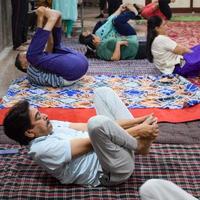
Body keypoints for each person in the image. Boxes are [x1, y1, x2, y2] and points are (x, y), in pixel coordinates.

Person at [3, 87, 159, 187]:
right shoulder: (41, 150)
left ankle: (137, 141)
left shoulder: (50, 126)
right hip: (113, 170)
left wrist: (141, 119)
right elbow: (91, 141)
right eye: (38, 117)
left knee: (102, 93)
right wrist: (138, 130)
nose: (44, 115)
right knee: (96, 123)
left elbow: (91, 128)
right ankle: (139, 145)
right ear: (30, 132)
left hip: (115, 147)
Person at [15, 7, 88, 87]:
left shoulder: (40, 62)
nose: (26, 52)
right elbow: (34, 53)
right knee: (32, 56)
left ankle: (58, 18)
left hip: (79, 66)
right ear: (24, 66)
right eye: (23, 55)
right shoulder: (30, 73)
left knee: (55, 48)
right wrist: (40, 19)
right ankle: (53, 18)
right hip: (70, 74)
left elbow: (51, 43)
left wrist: (46, 23)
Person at [79, 4, 146, 61]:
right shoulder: (101, 50)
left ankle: (133, 12)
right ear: (93, 41)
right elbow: (114, 58)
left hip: (132, 44)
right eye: (86, 33)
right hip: (134, 50)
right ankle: (134, 13)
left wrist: (120, 10)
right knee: (115, 21)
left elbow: (109, 21)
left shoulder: (101, 44)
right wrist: (118, 44)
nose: (87, 31)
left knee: (151, 43)